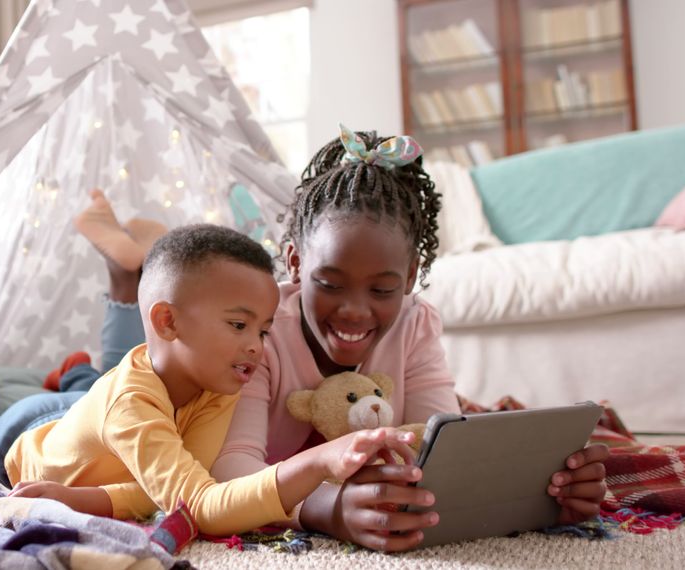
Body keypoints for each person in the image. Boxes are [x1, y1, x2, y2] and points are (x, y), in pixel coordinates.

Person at [71, 126, 610, 551]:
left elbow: (442, 444)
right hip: (138, 410)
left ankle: (124, 284)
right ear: (296, 264)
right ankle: (123, 285)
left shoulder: (415, 324)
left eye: (383, 289)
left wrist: (540, 491)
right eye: (329, 284)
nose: (355, 310)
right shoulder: (258, 334)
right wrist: (325, 509)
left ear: (412, 273)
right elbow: (230, 467)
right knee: (90, 393)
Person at [0, 223, 418, 536]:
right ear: (168, 322)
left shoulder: (220, 386)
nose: (257, 344)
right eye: (239, 325)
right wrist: (318, 463)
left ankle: (74, 372)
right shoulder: (131, 405)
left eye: (265, 329)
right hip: (19, 446)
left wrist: (87, 499)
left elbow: (177, 491)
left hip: (94, 424)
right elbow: (201, 507)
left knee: (91, 389)